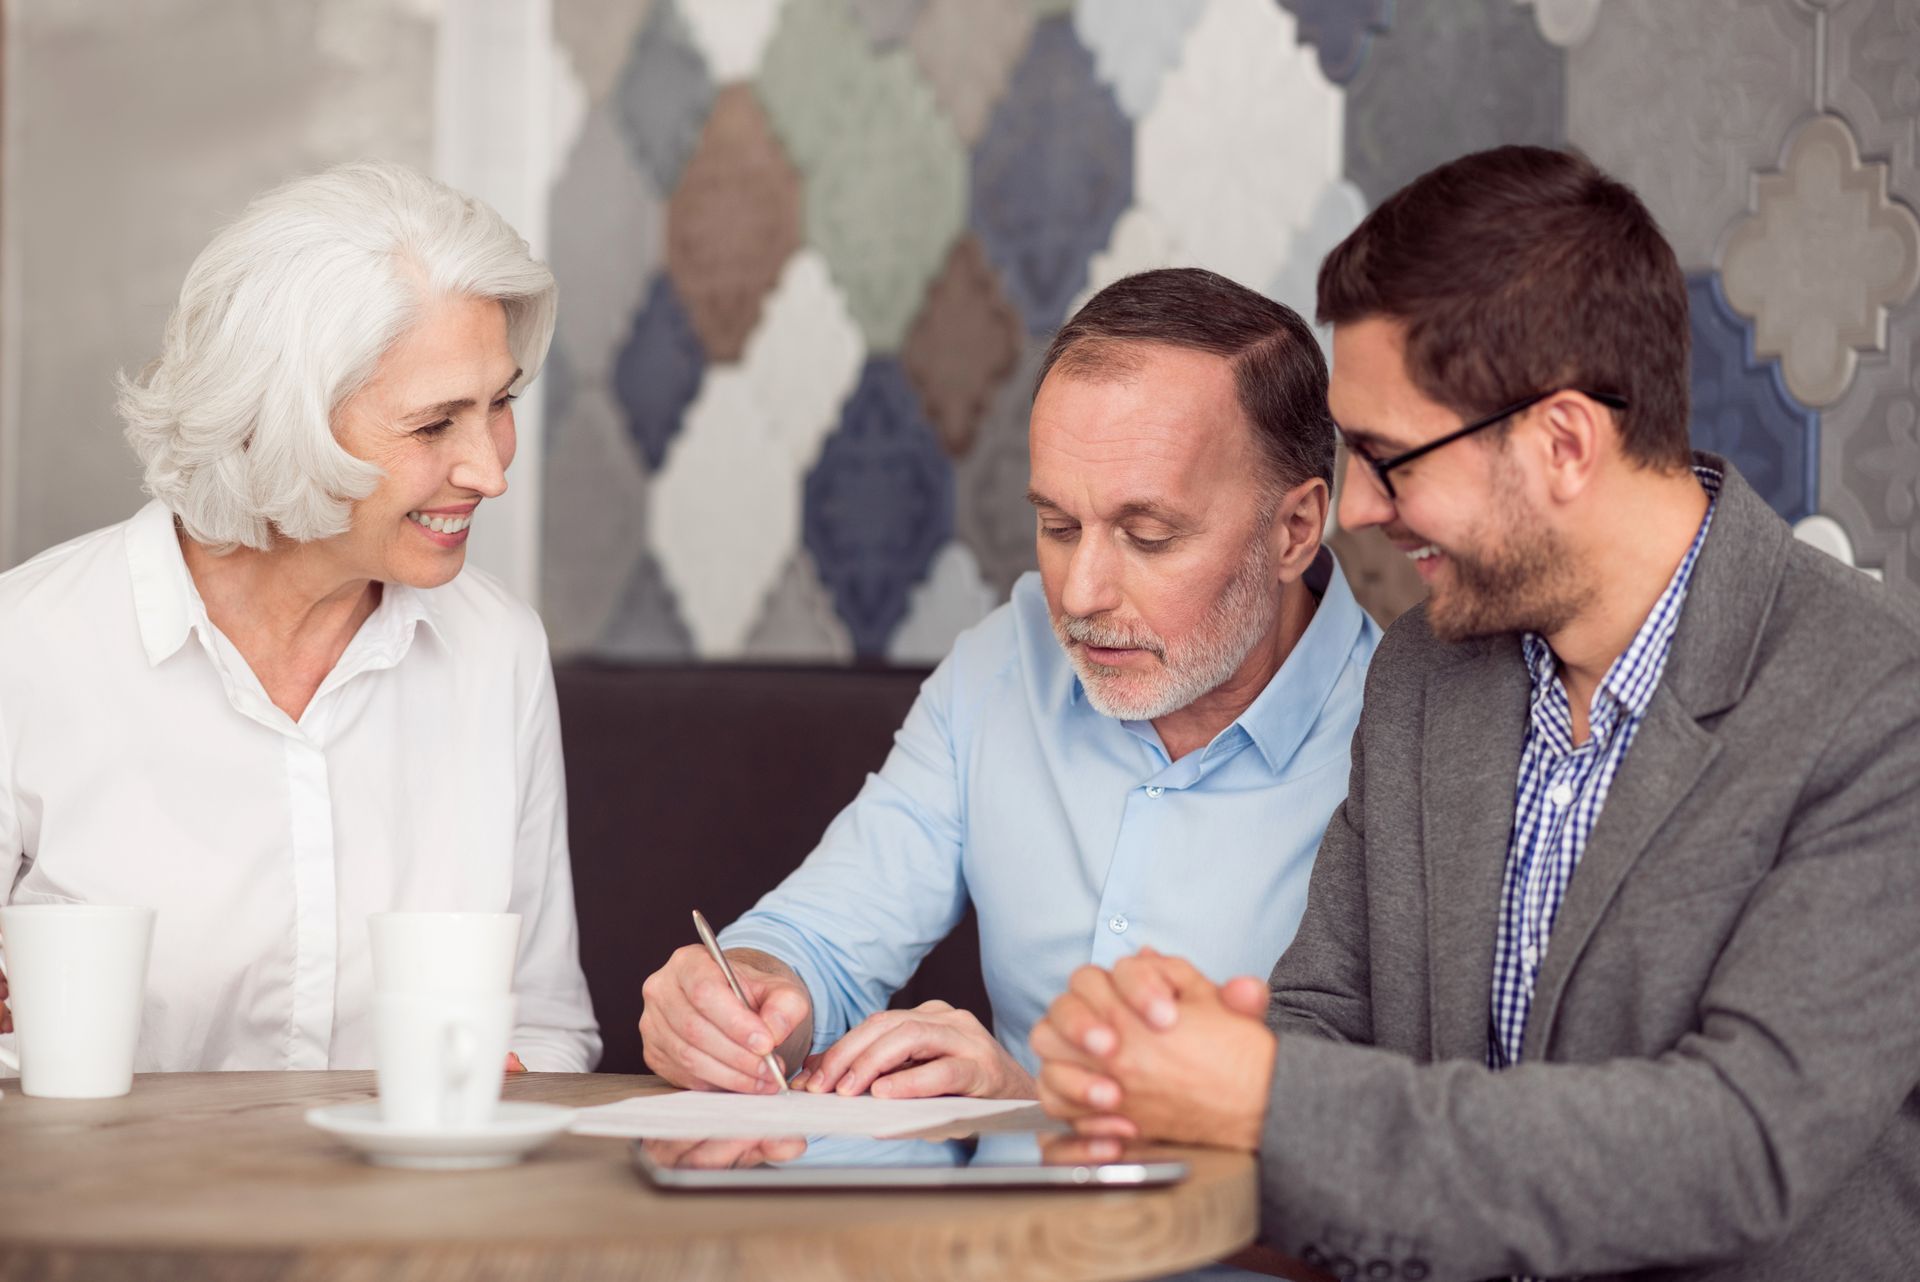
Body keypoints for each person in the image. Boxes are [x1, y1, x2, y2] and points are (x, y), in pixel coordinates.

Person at [1032, 146, 1920, 1280]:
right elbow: (1321, 1017)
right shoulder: (1421, 675)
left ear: (1561, 442)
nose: (1352, 509)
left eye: (1391, 459)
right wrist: (1168, 1056)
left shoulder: (1878, 705)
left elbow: (1740, 1145)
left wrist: (1262, 1093)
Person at [638, 269, 1380, 1102]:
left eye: (1148, 535)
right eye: (1057, 526)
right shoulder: (1003, 662)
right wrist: (744, 995)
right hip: (996, 1226)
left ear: (1294, 531)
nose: (1080, 592)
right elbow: (829, 934)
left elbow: (1360, 1128)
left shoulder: (1405, 741)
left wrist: (1027, 1108)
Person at [0, 161, 600, 1073]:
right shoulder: (29, 647)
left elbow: (551, 1031)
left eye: (500, 404)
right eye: (436, 424)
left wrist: (503, 1080)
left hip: (408, 1213)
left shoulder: (496, 649)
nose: (490, 469)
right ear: (277, 420)